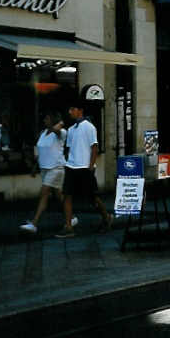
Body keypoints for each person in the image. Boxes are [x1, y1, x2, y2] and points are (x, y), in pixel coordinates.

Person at [57, 99, 113, 237]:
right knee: (67, 196)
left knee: (92, 197)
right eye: (69, 110)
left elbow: (94, 147)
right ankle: (69, 227)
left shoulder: (89, 127)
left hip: (84, 167)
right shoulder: (70, 129)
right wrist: (66, 162)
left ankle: (106, 217)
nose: (70, 112)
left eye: (73, 109)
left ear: (80, 111)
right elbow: (69, 148)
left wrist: (90, 166)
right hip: (71, 166)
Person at [20, 113, 78, 234]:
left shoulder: (61, 132)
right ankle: (71, 218)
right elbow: (41, 151)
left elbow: (57, 128)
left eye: (47, 118)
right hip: (45, 169)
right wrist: (35, 167)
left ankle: (34, 224)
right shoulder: (43, 133)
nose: (44, 120)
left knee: (44, 193)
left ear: (53, 120)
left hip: (56, 168)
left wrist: (60, 122)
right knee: (59, 195)